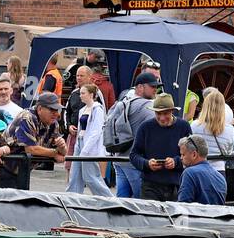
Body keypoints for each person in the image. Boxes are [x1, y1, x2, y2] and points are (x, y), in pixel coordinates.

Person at [104, 70, 161, 198]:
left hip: (119, 158)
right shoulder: (148, 105)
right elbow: (160, 126)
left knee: (122, 203)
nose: (155, 89)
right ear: (140, 87)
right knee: (140, 202)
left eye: (156, 87)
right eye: (152, 86)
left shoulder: (122, 102)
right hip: (136, 162)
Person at [130, 93, 192, 202]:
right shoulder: (145, 127)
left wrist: (176, 162)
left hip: (176, 185)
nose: (162, 118)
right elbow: (134, 155)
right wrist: (147, 163)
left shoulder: (184, 126)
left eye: (166, 113)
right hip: (150, 186)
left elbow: (191, 155)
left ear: (172, 111)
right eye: (158, 113)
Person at [1, 92, 66, 189]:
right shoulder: (27, 117)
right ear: (40, 109)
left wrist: (62, 146)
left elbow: (63, 153)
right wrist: (55, 153)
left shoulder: (53, 123)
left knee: (22, 200)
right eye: (52, 110)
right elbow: (31, 149)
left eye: (57, 110)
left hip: (23, 169)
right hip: (4, 167)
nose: (56, 114)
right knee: (4, 201)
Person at [67, 83, 112, 196]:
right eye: (80, 93)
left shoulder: (98, 109)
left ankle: (107, 198)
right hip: (80, 141)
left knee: (90, 176)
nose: (80, 96)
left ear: (91, 95)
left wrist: (86, 149)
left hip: (89, 144)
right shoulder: (83, 110)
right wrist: (78, 144)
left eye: (83, 93)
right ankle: (72, 197)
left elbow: (96, 131)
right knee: (75, 174)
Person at [190, 87, 234, 173]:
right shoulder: (229, 129)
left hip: (198, 169)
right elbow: (228, 152)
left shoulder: (195, 125)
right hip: (218, 171)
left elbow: (191, 148)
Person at [176, 135, 226, 206]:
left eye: (183, 154)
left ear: (194, 154)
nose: (181, 158)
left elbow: (183, 205)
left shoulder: (189, 173)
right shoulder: (220, 178)